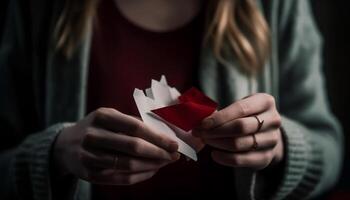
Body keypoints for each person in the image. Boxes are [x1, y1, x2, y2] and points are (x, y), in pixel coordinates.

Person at [0, 0, 343, 199]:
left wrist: (280, 149)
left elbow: (329, 148)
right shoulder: (40, 8)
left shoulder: (276, 6)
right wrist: (54, 154)